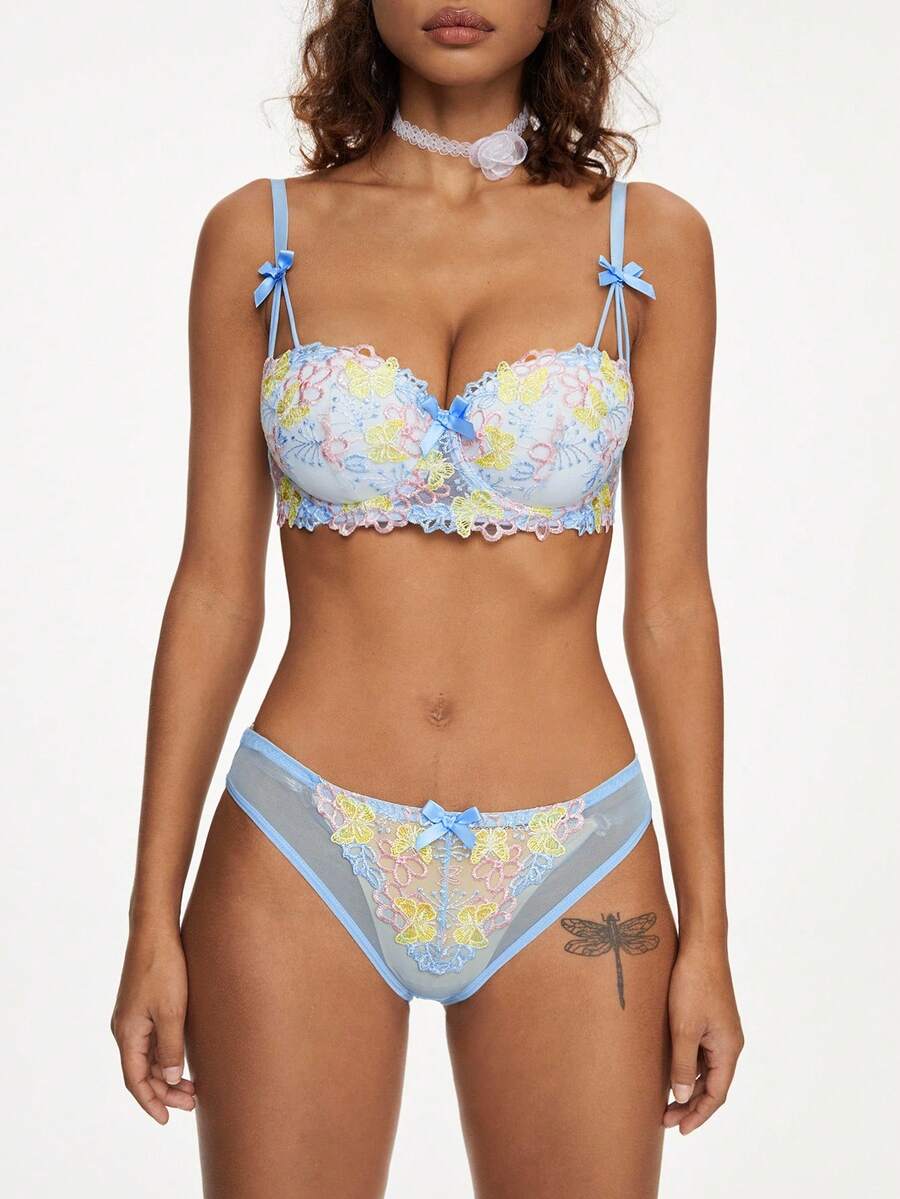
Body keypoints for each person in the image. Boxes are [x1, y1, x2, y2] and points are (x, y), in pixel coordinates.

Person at [111, 3, 744, 1195]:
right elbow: (213, 592)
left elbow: (670, 607)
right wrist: (150, 909)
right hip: (298, 844)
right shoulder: (262, 235)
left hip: (576, 859)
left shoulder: (651, 241)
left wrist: (708, 926)